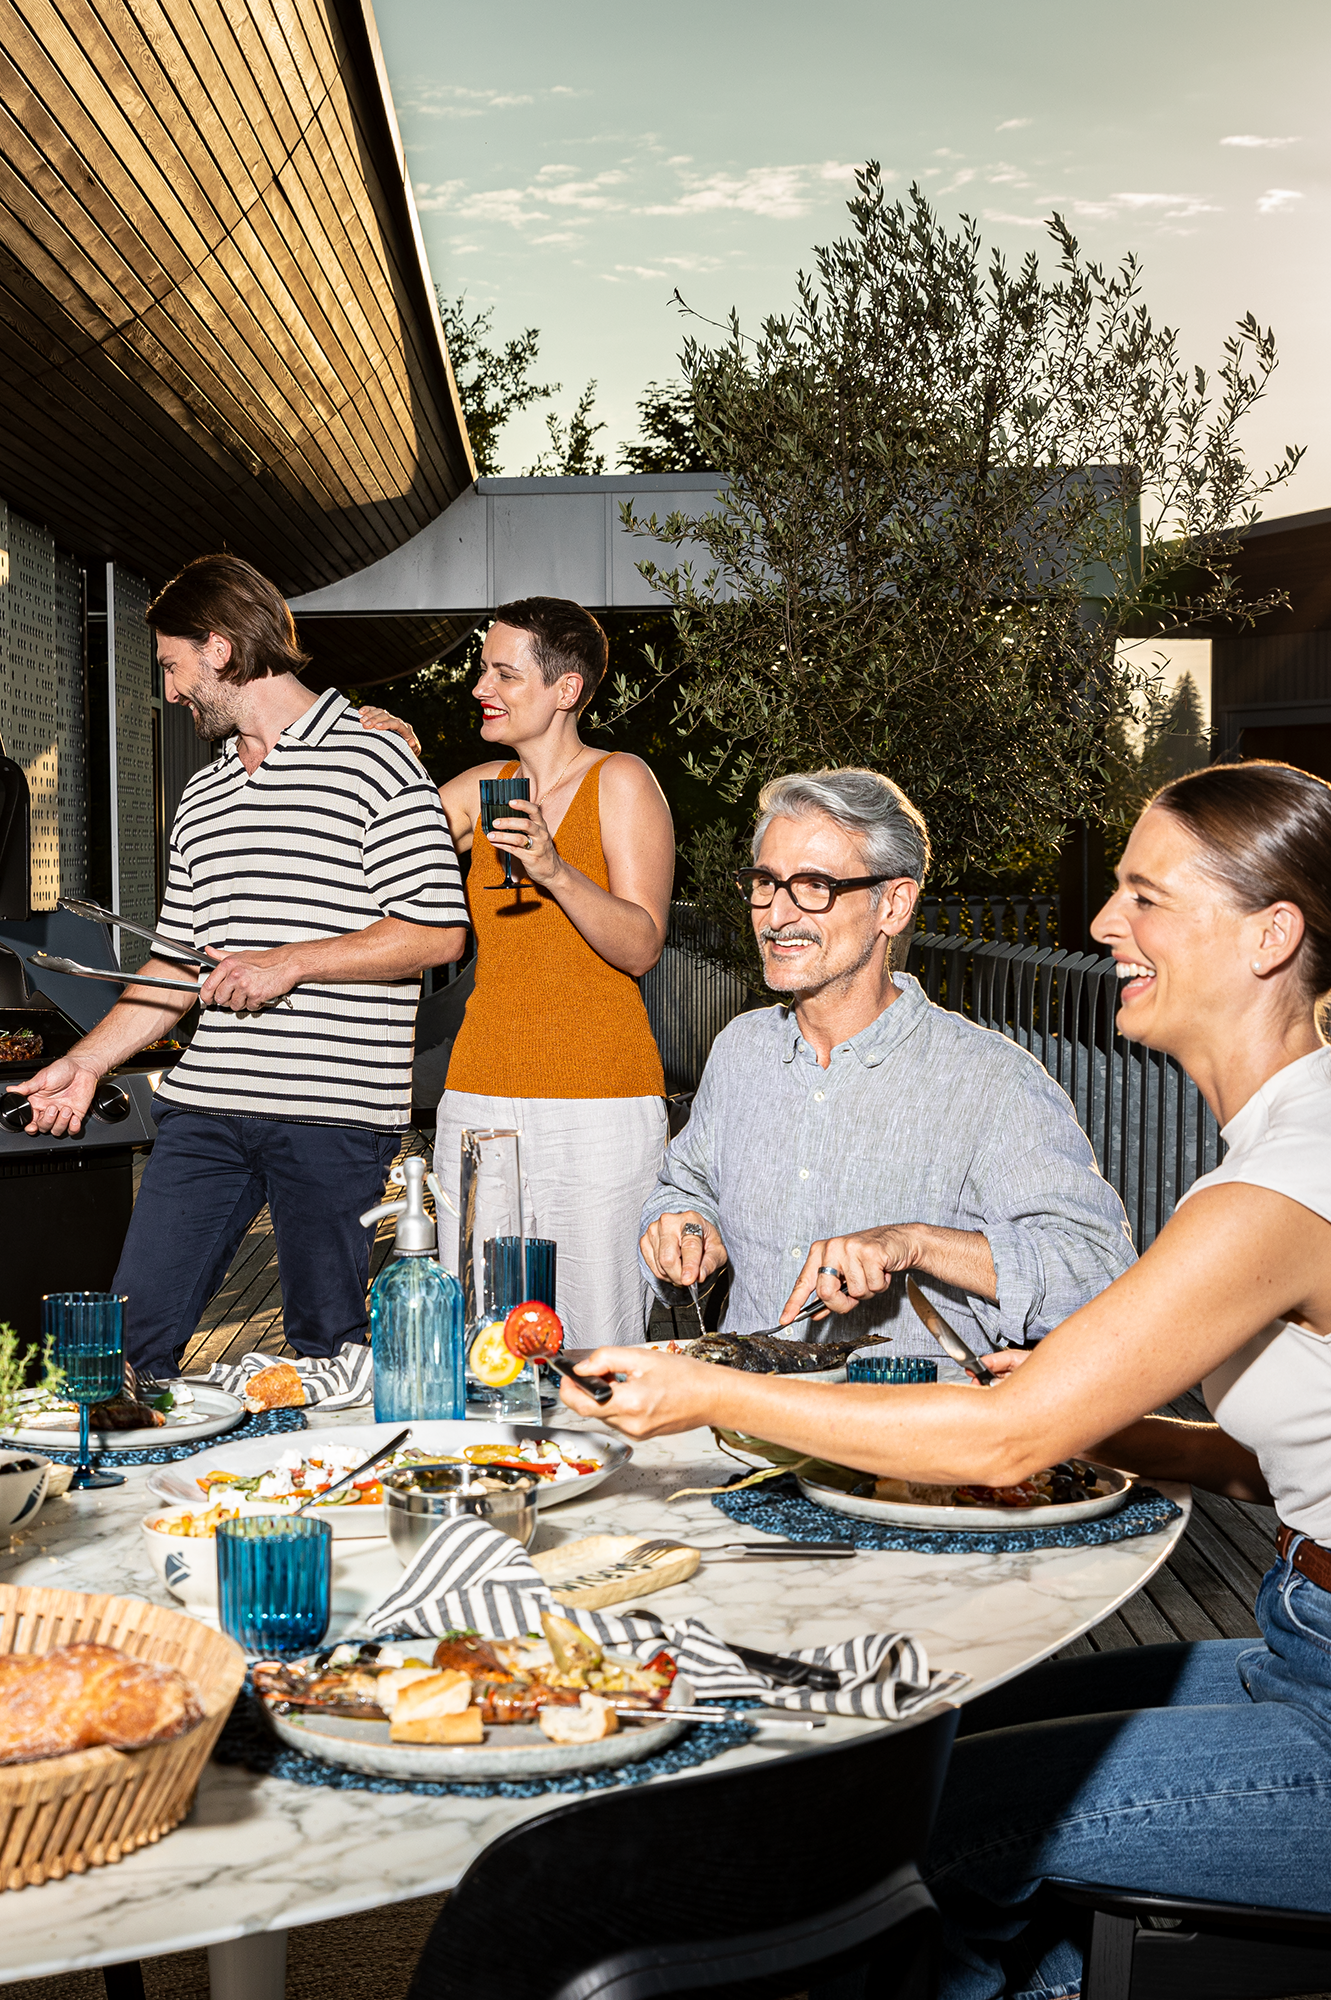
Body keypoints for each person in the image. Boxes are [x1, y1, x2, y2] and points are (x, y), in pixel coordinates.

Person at [566, 761, 1331, 2000]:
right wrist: (1125, 1430)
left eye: (1141, 895)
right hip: (1295, 1629)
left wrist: (703, 1389)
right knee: (933, 1758)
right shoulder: (1277, 1147)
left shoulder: (1278, 1178)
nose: (1097, 923)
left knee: (929, 1827)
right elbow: (1284, 1452)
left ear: (1270, 933)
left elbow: (996, 1438)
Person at [15, 556, 468, 1376]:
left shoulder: (377, 761)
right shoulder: (205, 794)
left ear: (219, 649)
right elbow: (172, 968)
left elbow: (437, 932)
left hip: (334, 1117)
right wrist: (85, 1062)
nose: (171, 688)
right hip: (206, 1111)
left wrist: (286, 964)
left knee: (328, 1351)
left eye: (172, 665)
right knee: (126, 1342)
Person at [638, 769, 1133, 1356]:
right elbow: (686, 1185)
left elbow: (1102, 1275)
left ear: (893, 906)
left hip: (902, 1435)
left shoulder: (990, 1081)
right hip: (744, 1420)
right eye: (766, 883)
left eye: (815, 885)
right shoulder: (742, 1050)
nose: (776, 915)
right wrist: (688, 1226)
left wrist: (916, 1243)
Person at [419, 598, 674, 1349]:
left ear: (565, 690)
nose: (479, 688)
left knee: (595, 1332)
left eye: (504, 673)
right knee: (480, 1330)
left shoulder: (621, 780)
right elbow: (383, 845)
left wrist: (555, 868)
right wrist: (388, 759)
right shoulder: (480, 788)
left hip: (598, 1101)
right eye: (481, 669)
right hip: (477, 1095)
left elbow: (642, 944)